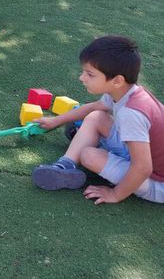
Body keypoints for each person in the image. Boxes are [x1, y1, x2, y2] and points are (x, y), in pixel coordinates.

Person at [31, 36, 164, 204]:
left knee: (88, 155)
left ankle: (96, 152)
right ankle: (65, 165)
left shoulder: (131, 113)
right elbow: (95, 108)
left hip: (156, 182)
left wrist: (115, 194)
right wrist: (56, 121)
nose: (82, 78)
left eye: (90, 74)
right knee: (96, 117)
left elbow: (143, 168)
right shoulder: (125, 92)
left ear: (117, 81)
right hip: (144, 155)